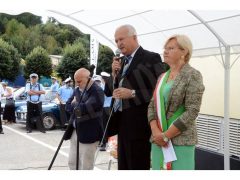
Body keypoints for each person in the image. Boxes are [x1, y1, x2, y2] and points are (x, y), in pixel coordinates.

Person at [104, 24, 166, 170]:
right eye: (116, 40)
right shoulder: (121, 61)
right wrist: (113, 74)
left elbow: (159, 91)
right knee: (123, 166)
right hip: (121, 123)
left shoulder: (151, 58)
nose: (119, 43)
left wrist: (132, 93)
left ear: (134, 37)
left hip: (139, 125)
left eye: (121, 39)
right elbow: (108, 91)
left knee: (137, 165)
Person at [148, 35, 205, 170]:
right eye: (165, 48)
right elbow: (152, 106)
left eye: (171, 48)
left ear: (184, 52)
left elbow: (192, 111)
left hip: (180, 142)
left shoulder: (193, 75)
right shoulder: (162, 77)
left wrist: (166, 136)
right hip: (158, 141)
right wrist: (156, 132)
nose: (165, 51)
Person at [66, 68, 104, 170]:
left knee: (85, 165)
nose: (77, 84)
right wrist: (77, 106)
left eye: (79, 81)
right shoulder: (77, 89)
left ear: (88, 78)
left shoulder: (97, 91)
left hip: (89, 133)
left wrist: (75, 104)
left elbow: (83, 110)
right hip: (75, 130)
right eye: (75, 81)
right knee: (72, 162)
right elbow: (67, 106)